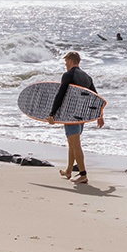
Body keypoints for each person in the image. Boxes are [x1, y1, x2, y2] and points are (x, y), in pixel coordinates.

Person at [46, 52, 104, 184]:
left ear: (71, 61)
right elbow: (96, 97)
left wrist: (52, 114)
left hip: (70, 115)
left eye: (66, 62)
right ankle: (68, 170)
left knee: (75, 144)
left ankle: (83, 174)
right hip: (81, 116)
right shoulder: (86, 77)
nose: (65, 65)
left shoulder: (68, 75)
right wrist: (100, 115)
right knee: (72, 143)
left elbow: (60, 95)